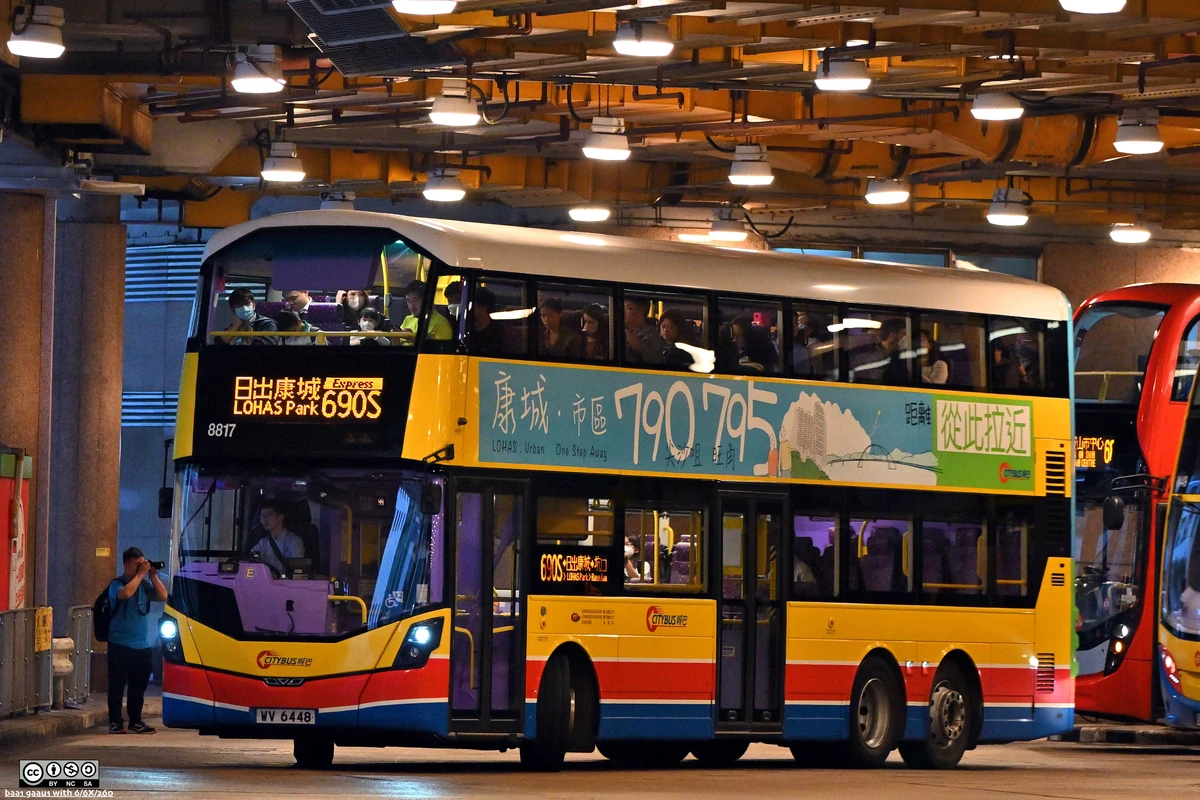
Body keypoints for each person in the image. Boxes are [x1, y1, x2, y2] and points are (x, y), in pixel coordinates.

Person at [107, 547, 168, 734]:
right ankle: (116, 722)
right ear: (126, 565)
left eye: (142, 564)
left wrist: (153, 576)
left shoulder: (143, 585)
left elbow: (163, 596)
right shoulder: (117, 584)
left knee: (138, 687)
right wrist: (140, 576)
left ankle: (136, 721)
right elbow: (125, 594)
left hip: (142, 645)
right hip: (120, 644)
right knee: (117, 686)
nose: (140, 568)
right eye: (137, 565)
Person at [249, 501, 306, 577]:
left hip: (287, 585)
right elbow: (251, 559)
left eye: (269, 515)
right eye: (262, 516)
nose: (265, 519)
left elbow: (297, 570)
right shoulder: (262, 543)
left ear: (280, 517)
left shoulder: (294, 541)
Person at [623, 297, 664, 364]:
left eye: (629, 308)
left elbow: (642, 353)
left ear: (641, 311)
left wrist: (626, 331)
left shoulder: (651, 333)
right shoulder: (615, 330)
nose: (624, 312)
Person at [471, 286, 507, 355]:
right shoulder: (468, 327)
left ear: (483, 307)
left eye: (473, 305)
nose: (470, 309)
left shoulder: (497, 331)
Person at [879, 317, 909, 383]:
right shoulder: (873, 353)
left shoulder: (903, 356)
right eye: (903, 334)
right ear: (892, 335)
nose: (906, 337)